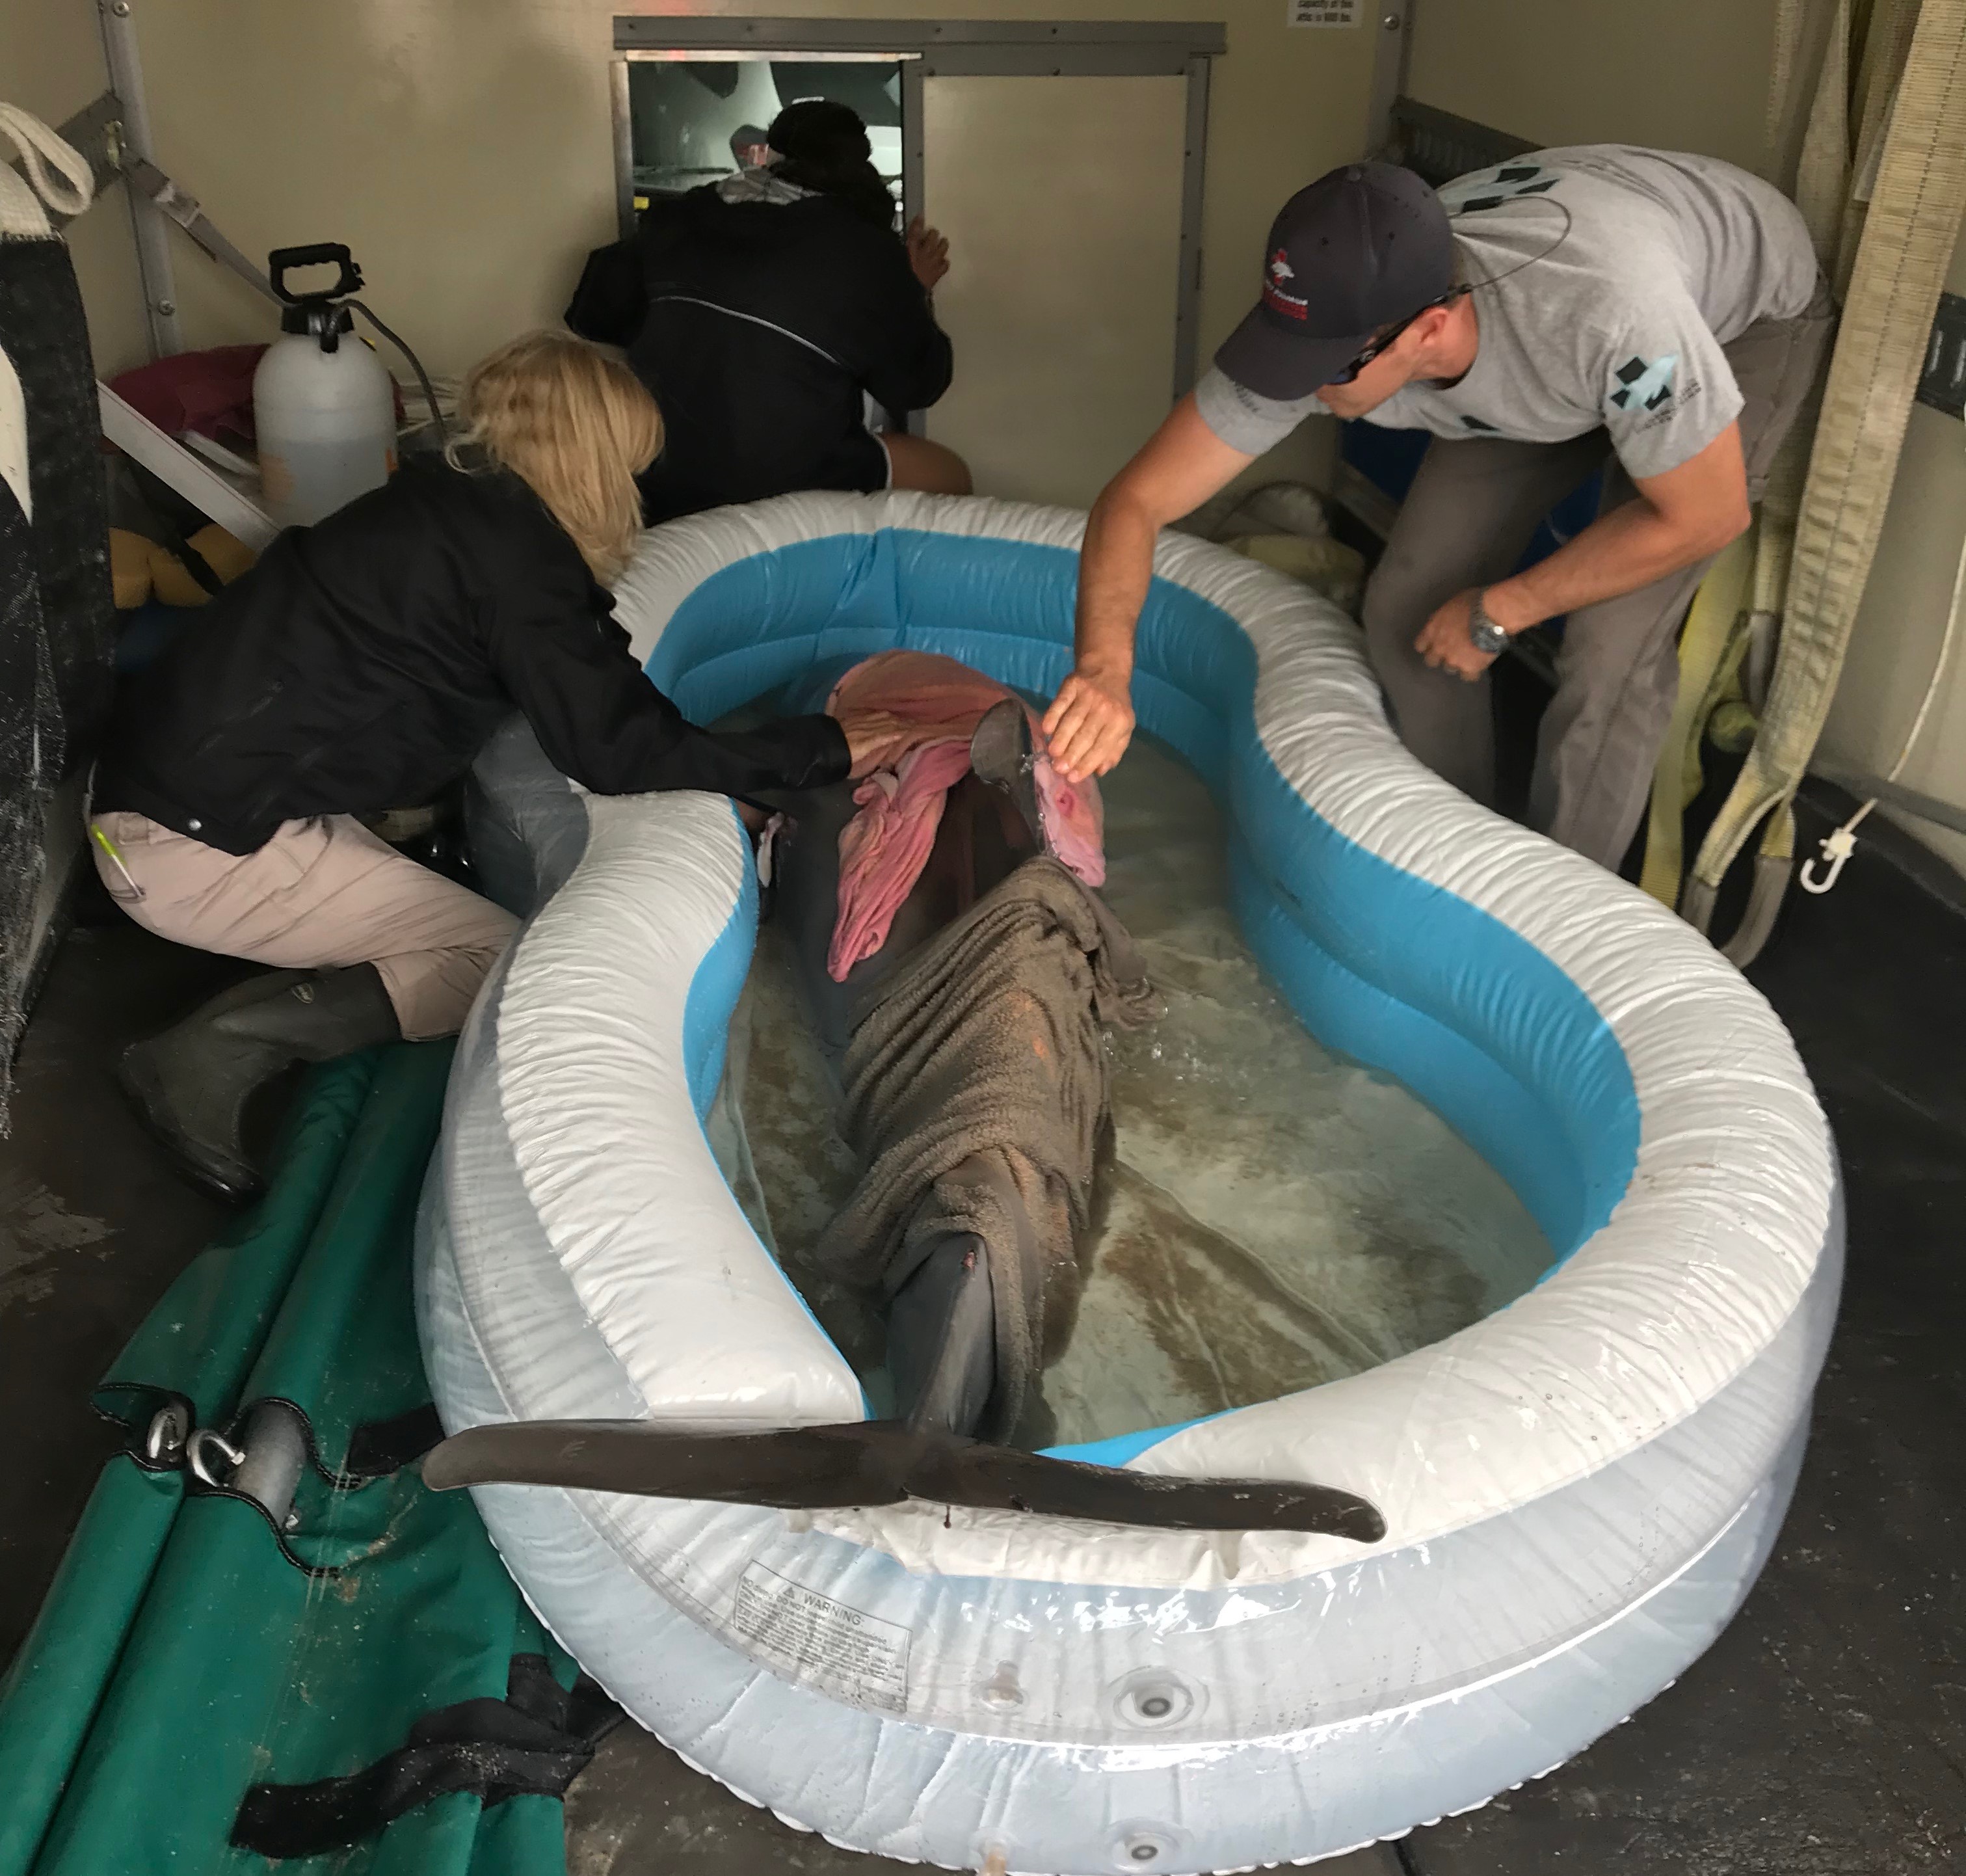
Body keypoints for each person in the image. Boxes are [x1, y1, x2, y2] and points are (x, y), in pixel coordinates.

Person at [90, 330, 904, 1201]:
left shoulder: (444, 505)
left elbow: (585, 681)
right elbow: (622, 748)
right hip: (192, 846)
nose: (635, 485)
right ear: (595, 459)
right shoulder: (520, 571)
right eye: (628, 462)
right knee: (500, 961)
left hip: (172, 787)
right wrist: (825, 748)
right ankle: (210, 1051)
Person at [1048, 148, 1833, 873]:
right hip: (1545, 355)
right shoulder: (1331, 309)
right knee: (1407, 608)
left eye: (1328, 367)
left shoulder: (1613, 316)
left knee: (1605, 654)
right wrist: (1102, 668)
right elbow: (1137, 500)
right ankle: (1456, 854)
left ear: (1426, 331)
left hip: (1736, 321)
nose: (1300, 387)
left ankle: (1556, 909)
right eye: (1287, 352)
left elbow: (1703, 517)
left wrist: (1502, 609)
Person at [567, 99, 970, 524]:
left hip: (659, 476)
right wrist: (915, 289)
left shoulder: (679, 215)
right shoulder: (865, 251)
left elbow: (590, 316)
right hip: (784, 487)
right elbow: (916, 388)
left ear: (770, 151)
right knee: (950, 475)